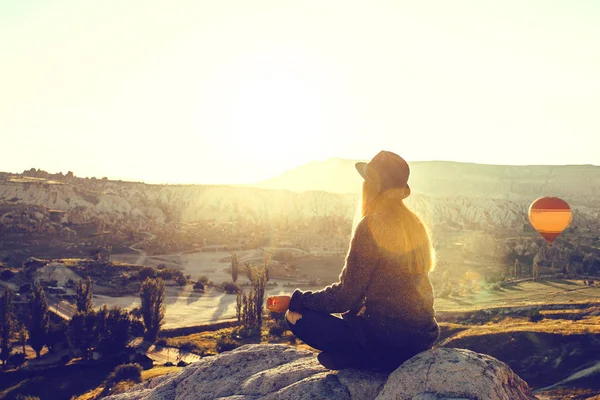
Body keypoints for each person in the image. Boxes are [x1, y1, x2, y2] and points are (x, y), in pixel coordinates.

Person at [266, 150, 439, 371]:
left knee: (296, 317)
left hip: (386, 343)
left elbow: (346, 296)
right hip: (419, 343)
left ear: (372, 186)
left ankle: (362, 360)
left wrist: (295, 301)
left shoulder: (371, 226)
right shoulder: (414, 224)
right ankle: (356, 358)